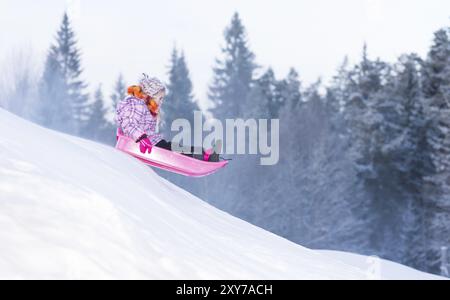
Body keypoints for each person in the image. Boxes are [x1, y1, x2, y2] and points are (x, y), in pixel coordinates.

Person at [115, 73, 219, 162]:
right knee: (173, 150)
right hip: (140, 143)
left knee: (173, 147)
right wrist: (141, 138)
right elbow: (128, 123)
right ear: (150, 95)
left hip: (151, 142)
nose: (161, 102)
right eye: (160, 98)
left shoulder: (147, 108)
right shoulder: (136, 104)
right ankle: (202, 155)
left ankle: (203, 153)